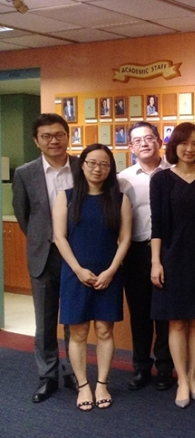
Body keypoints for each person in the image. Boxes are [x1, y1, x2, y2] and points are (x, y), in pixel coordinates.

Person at [52, 143, 132, 411]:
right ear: (82, 164)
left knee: (104, 330)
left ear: (111, 169)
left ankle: (102, 383)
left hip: (108, 274)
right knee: (78, 332)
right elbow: (60, 237)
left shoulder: (120, 199)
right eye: (92, 163)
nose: (98, 168)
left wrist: (111, 271)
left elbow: (125, 239)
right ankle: (83, 384)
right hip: (75, 273)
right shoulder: (67, 197)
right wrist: (77, 269)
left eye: (104, 164)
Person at [149, 123, 195, 409]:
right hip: (171, 257)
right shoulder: (161, 180)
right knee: (176, 321)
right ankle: (180, 379)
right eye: (184, 143)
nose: (190, 149)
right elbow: (157, 224)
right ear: (174, 146)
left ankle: (192, 376)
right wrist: (155, 262)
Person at [12, 113, 78, 402]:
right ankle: (48, 375)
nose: (54, 140)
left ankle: (76, 372)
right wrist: (44, 240)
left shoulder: (82, 166)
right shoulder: (25, 173)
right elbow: (23, 215)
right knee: (45, 320)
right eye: (47, 136)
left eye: (59, 134)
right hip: (43, 256)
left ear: (68, 135)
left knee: (75, 319)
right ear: (36, 141)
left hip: (77, 255)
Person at [118, 122, 174, 391]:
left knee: (165, 312)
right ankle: (141, 367)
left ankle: (165, 367)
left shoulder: (174, 173)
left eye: (149, 138)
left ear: (159, 141)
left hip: (169, 251)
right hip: (137, 252)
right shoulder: (122, 179)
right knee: (140, 313)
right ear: (130, 147)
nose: (144, 143)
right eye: (137, 140)